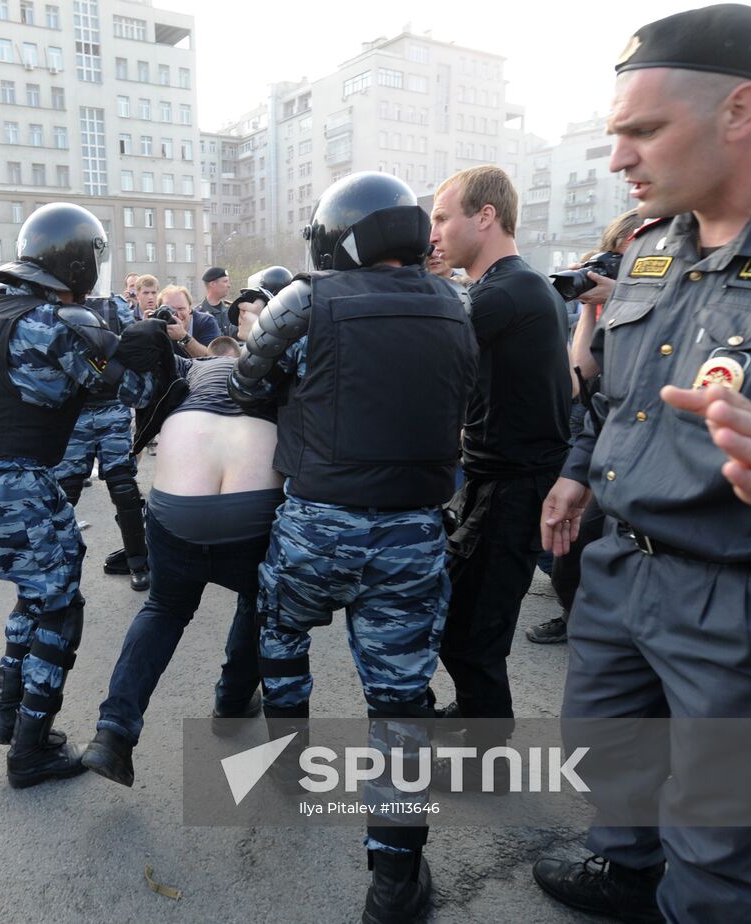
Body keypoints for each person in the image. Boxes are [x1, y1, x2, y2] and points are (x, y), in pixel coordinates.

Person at [531, 7, 751, 921]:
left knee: (718, 850)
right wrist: (578, 469)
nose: (617, 158)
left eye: (643, 130)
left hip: (750, 594)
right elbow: (619, 395)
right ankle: (625, 872)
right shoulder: (654, 243)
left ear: (740, 110)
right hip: (620, 569)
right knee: (606, 757)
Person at [229, 171, 477, 924]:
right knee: (401, 703)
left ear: (338, 235)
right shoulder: (457, 303)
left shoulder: (306, 299)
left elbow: (247, 383)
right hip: (413, 531)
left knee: (281, 633)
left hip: (318, 524)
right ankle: (395, 882)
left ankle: (291, 766)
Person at [0, 202, 165, 789]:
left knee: (36, 596)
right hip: (12, 486)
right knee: (60, 608)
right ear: (77, 263)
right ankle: (30, 750)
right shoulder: (55, 323)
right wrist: (146, 342)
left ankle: (8, 717)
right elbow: (135, 389)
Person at [82, 338, 280, 785]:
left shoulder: (190, 370)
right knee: (257, 602)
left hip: (178, 510)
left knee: (164, 610)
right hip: (252, 511)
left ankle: (113, 734)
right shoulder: (271, 370)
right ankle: (231, 703)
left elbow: (114, 361)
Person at [427, 166, 571, 753]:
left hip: (512, 486)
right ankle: (478, 714)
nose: (433, 234)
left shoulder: (502, 293)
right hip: (504, 480)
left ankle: (487, 754)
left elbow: (424, 359)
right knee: (467, 620)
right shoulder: (521, 286)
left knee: (471, 632)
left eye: (442, 218)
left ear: (485, 216)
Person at [527, 209, 643, 645]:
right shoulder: (614, 300)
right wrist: (596, 305)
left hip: (641, 438)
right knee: (573, 549)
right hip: (601, 425)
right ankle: (576, 616)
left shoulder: (664, 295)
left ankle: (606, 630)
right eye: (615, 257)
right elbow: (583, 369)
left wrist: (626, 295)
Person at [51, 288, 151, 592]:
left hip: (112, 405)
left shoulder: (114, 305)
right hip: (75, 409)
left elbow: (133, 349)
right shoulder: (50, 308)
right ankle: (54, 567)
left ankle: (138, 562)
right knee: (65, 489)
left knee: (123, 486)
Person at [159, 285, 214, 359]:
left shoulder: (206, 322)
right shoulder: (156, 324)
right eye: (169, 310)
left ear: (190, 309)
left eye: (181, 309)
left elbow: (212, 359)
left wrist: (183, 337)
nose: (176, 315)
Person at [198, 266, 236, 337]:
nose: (229, 285)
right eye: (225, 281)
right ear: (212, 284)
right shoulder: (198, 314)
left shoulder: (231, 310)